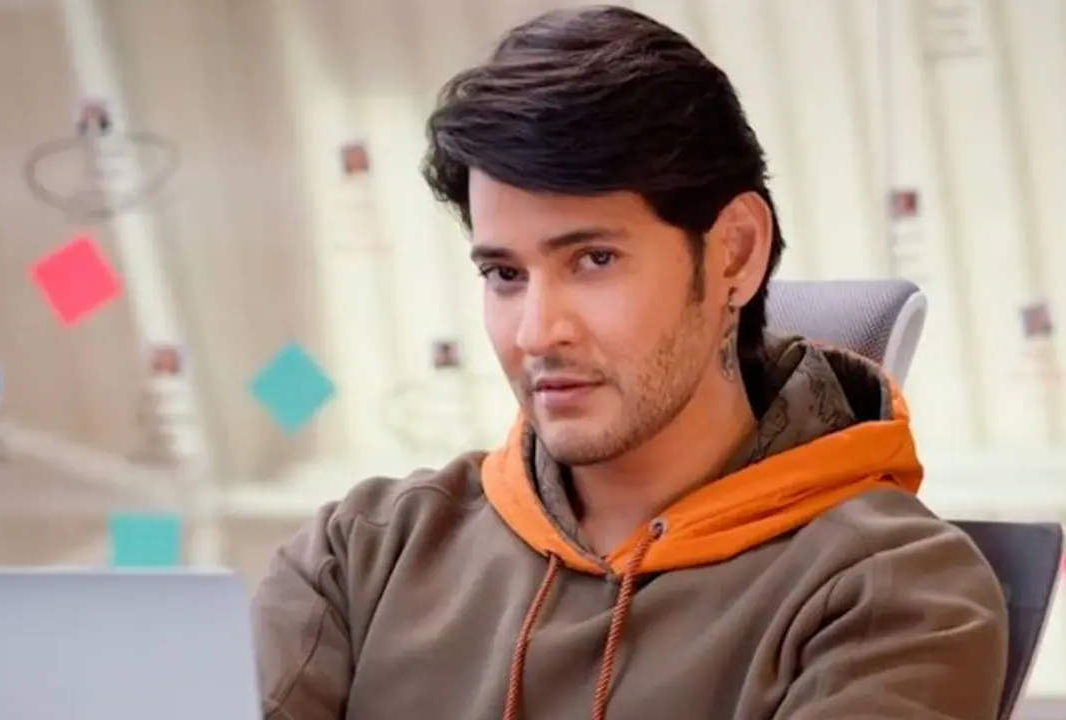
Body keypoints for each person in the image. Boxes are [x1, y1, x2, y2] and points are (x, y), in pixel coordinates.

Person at [251, 6, 1009, 719]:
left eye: (594, 259)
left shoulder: (889, 590)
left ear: (734, 254)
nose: (538, 333)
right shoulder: (363, 553)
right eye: (504, 274)